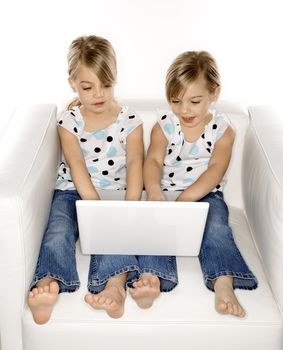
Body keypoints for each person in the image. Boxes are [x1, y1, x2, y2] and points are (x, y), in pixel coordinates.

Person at [27, 35, 178, 324]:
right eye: (87, 86)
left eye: (106, 85)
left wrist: (127, 207)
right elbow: (76, 164)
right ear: (73, 83)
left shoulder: (129, 120)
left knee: (116, 232)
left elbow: (136, 162)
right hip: (73, 191)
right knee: (58, 231)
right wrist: (94, 209)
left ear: (116, 79)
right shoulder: (68, 121)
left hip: (117, 194)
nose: (98, 94)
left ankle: (115, 287)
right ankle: (50, 282)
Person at [143, 51, 257, 318]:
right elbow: (154, 161)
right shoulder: (164, 126)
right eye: (176, 101)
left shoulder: (223, 130)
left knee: (216, 230)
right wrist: (156, 192)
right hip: (166, 194)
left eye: (194, 101)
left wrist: (188, 199)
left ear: (214, 93)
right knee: (152, 232)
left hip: (205, 196)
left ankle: (223, 283)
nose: (184, 110)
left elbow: (216, 170)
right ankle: (152, 278)